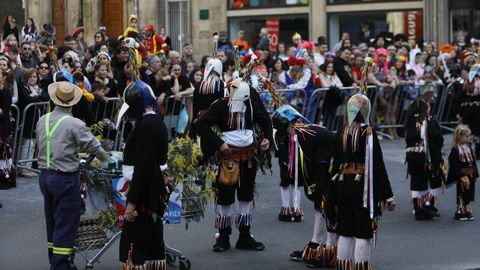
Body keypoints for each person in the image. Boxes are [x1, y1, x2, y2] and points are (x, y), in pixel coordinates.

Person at [36, 80, 107, 270]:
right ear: (73, 103)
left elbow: (52, 144)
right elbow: (94, 146)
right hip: (64, 178)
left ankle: (54, 257)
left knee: (52, 219)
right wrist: (104, 156)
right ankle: (61, 265)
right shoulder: (74, 123)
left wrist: (73, 152)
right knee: (67, 221)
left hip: (45, 175)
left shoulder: (43, 119)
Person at [197, 76, 272, 252]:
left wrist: (267, 138)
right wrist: (219, 143)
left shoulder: (250, 104)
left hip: (248, 158)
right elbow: (202, 125)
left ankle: (245, 237)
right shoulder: (220, 106)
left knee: (246, 196)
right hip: (227, 158)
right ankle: (223, 237)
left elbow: (265, 120)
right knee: (224, 198)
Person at [271, 105, 338, 268]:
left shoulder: (307, 134)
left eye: (285, 129)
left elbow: (321, 163)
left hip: (333, 166)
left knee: (327, 206)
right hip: (323, 166)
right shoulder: (298, 136)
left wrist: (320, 187)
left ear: (291, 125)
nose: (284, 135)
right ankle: (316, 245)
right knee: (320, 207)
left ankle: (330, 252)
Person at [117, 80, 169, 269]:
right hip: (151, 189)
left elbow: (144, 168)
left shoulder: (148, 124)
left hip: (146, 192)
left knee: (139, 243)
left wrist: (131, 202)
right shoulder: (152, 121)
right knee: (152, 241)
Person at [404, 99, 445, 220]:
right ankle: (428, 203)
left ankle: (417, 208)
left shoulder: (409, 121)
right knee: (436, 177)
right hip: (426, 156)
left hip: (411, 154)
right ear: (426, 108)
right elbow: (436, 136)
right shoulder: (428, 120)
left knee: (416, 181)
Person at [18, 68, 49, 177]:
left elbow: (45, 96)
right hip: (27, 120)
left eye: (35, 76)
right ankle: (23, 168)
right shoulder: (23, 87)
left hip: (37, 119)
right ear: (26, 78)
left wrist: (36, 96)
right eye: (30, 76)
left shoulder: (38, 88)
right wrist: (35, 98)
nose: (32, 79)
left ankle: (28, 167)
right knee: (28, 143)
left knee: (33, 144)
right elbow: (26, 99)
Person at [446, 125, 478, 221]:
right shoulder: (456, 149)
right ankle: (460, 210)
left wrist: (475, 173)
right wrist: (461, 175)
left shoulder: (469, 147)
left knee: (469, 191)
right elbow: (453, 164)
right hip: (461, 174)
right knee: (461, 191)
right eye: (467, 136)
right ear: (460, 136)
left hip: (470, 173)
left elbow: (473, 161)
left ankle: (466, 208)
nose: (469, 138)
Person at [0, 68, 15, 189]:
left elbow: (4, 111)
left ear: (4, 76)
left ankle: (5, 180)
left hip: (3, 127)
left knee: (3, 154)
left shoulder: (5, 91)